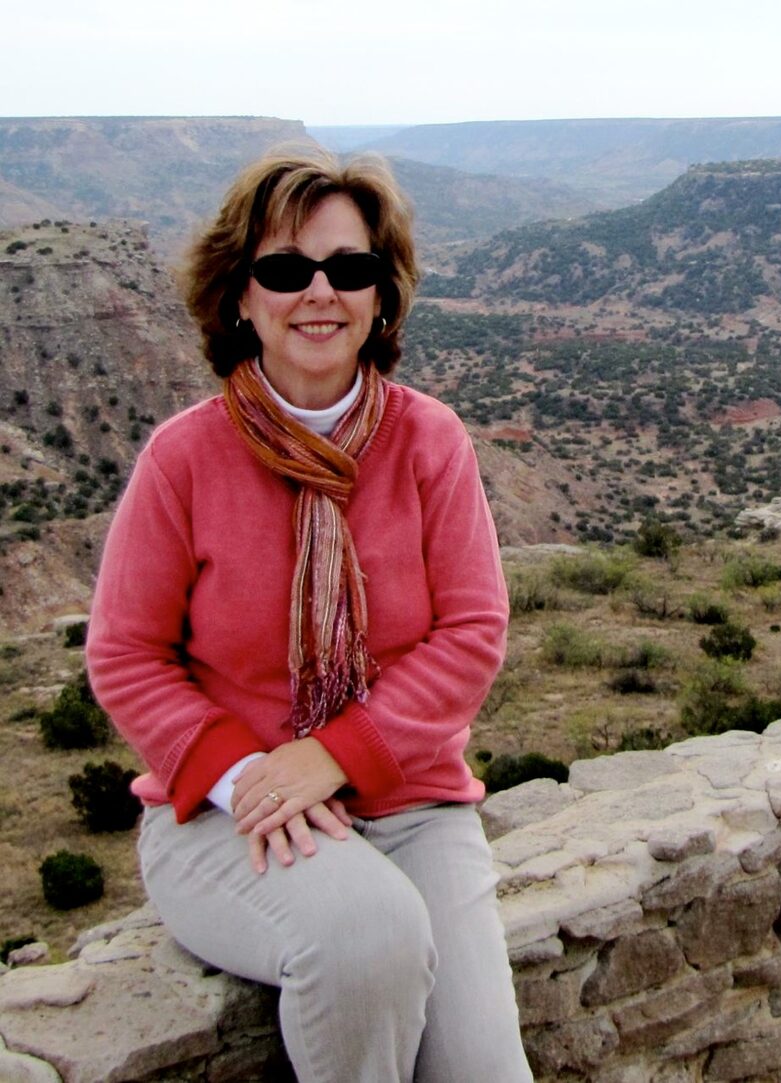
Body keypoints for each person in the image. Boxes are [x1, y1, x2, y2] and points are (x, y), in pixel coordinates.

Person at [86, 148, 533, 1083]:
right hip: (230, 813)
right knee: (366, 935)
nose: (320, 292)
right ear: (241, 296)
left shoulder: (428, 441)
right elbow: (127, 655)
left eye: (350, 268)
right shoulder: (185, 459)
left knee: (485, 1069)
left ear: (381, 295)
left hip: (412, 802)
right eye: (287, 270)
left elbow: (471, 633)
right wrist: (248, 773)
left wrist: (336, 751)